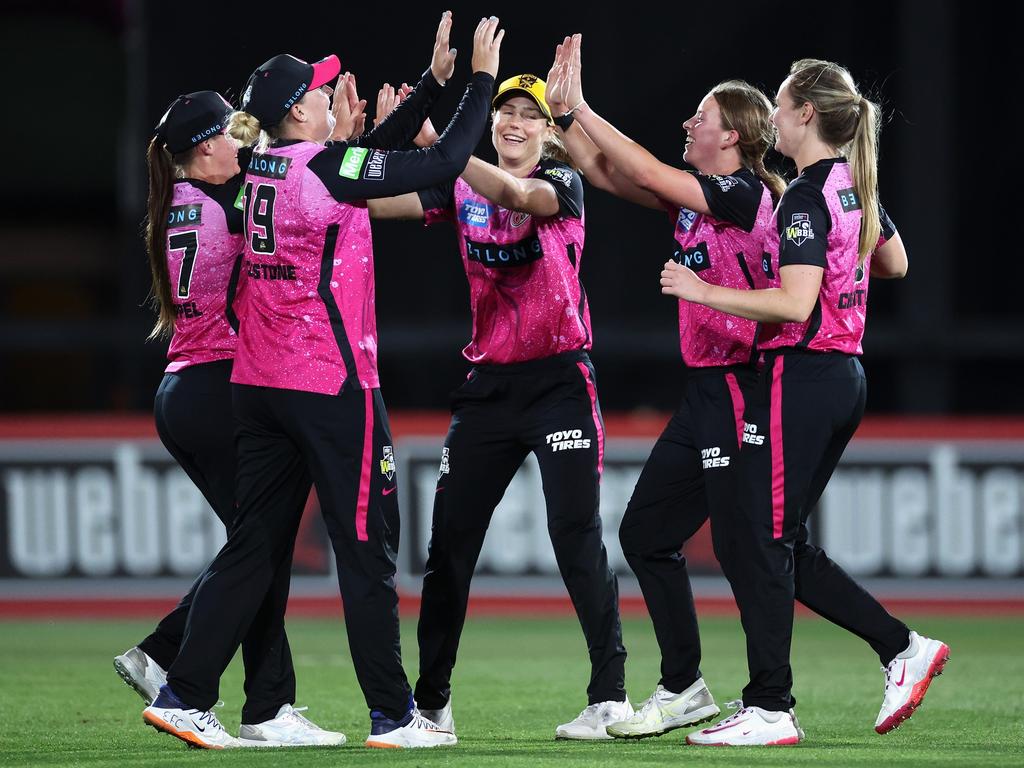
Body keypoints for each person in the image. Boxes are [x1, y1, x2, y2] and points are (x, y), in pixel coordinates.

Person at [140, 13, 504, 750]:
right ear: (298, 111)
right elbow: (440, 164)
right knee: (367, 548)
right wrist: (479, 81)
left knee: (254, 546)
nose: (328, 87)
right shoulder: (320, 168)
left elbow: (366, 158)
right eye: (317, 86)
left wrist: (432, 87)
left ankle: (183, 694)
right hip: (331, 383)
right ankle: (395, 717)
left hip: (257, 389)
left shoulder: (259, 174)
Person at [659, 58, 948, 746]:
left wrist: (702, 292)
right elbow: (896, 263)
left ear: (806, 116)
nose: (775, 119)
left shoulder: (805, 196)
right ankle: (897, 650)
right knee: (778, 540)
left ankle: (771, 707)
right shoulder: (852, 185)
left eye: (783, 107)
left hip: (804, 374)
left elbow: (793, 303)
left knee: (760, 540)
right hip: (843, 375)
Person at [368, 71, 631, 740]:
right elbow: (367, 205)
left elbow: (517, 193)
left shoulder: (562, 185)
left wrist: (441, 147)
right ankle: (431, 707)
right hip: (488, 390)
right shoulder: (458, 188)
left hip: (559, 385)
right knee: (449, 549)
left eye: (527, 114)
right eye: (504, 111)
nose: (514, 121)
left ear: (548, 132)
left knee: (575, 539)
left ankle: (611, 698)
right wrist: (368, 144)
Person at [543, 35, 783, 740]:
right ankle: (685, 686)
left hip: (743, 386)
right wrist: (564, 119)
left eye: (701, 117)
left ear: (732, 135)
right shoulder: (703, 200)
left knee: (748, 549)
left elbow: (642, 164)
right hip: (705, 392)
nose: (688, 124)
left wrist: (584, 103)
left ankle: (773, 701)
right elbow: (609, 173)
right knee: (646, 534)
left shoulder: (741, 193)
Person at [119, 89, 342, 748]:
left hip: (184, 390)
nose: (240, 147)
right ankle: (191, 683)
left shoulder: (178, 207)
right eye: (229, 137)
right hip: (221, 391)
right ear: (208, 147)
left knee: (261, 546)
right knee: (259, 546)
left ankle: (262, 702)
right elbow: (290, 220)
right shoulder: (224, 207)